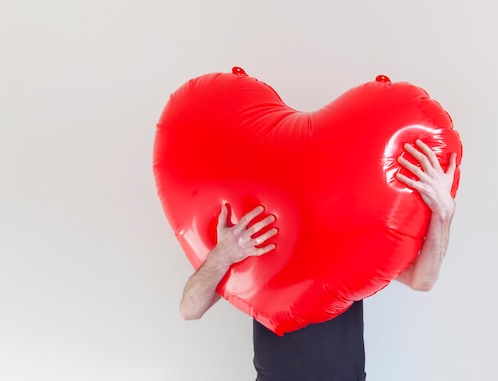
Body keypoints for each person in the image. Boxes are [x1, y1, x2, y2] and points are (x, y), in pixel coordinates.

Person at [179, 140, 458, 381]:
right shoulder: (258, 238)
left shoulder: (351, 238)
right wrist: (222, 255)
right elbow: (190, 309)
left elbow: (422, 280)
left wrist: (442, 212)